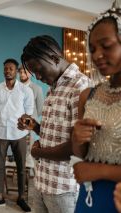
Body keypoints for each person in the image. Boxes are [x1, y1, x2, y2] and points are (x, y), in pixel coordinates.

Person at [18, 35, 91, 213]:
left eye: (39, 70)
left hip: (63, 188)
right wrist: (35, 126)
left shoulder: (81, 86)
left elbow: (80, 147)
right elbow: (57, 135)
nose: (38, 76)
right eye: (34, 72)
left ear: (54, 57)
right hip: (42, 181)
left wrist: (38, 152)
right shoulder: (54, 86)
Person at [71, 1, 121, 212]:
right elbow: (79, 159)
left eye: (106, 46)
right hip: (88, 197)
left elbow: (87, 169)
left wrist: (100, 170)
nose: (98, 54)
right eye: (92, 49)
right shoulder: (88, 95)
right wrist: (77, 137)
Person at [0, 58, 34, 212]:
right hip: (0, 132)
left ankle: (21, 198)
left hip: (19, 133)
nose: (7, 71)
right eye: (5, 68)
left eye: (11, 68)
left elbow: (29, 111)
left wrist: (21, 125)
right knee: (0, 166)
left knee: (21, 166)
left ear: (16, 71)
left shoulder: (26, 90)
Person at [18, 66, 44, 171]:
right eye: (20, 72)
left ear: (30, 74)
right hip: (16, 124)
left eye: (24, 72)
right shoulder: (15, 88)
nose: (22, 74)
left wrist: (30, 120)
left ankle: (30, 172)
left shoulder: (37, 89)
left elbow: (40, 108)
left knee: (29, 151)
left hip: (30, 126)